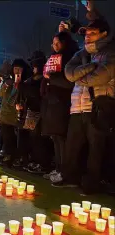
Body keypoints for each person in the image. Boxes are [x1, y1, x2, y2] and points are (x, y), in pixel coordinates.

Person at [59, 18, 115, 195]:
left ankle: (92, 184)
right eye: (86, 34)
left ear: (104, 34)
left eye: (92, 33)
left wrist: (79, 76)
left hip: (98, 105)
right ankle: (70, 178)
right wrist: (90, 66)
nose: (88, 37)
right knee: (72, 146)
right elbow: (68, 72)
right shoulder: (82, 53)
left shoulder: (110, 52)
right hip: (77, 105)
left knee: (96, 148)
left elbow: (102, 75)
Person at [41, 32, 79, 181]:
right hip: (52, 103)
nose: (55, 46)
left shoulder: (70, 58)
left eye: (58, 43)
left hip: (62, 103)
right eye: (53, 44)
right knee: (55, 138)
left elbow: (69, 82)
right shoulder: (54, 58)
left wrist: (51, 78)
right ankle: (57, 168)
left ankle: (64, 172)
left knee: (61, 138)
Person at [0, 59, 31, 166]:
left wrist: (20, 85)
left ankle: (19, 158)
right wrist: (6, 85)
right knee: (7, 137)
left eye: (19, 69)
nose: (17, 71)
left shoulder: (26, 81)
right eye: (15, 68)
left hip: (19, 115)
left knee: (20, 139)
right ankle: (8, 156)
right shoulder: (8, 80)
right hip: (6, 113)